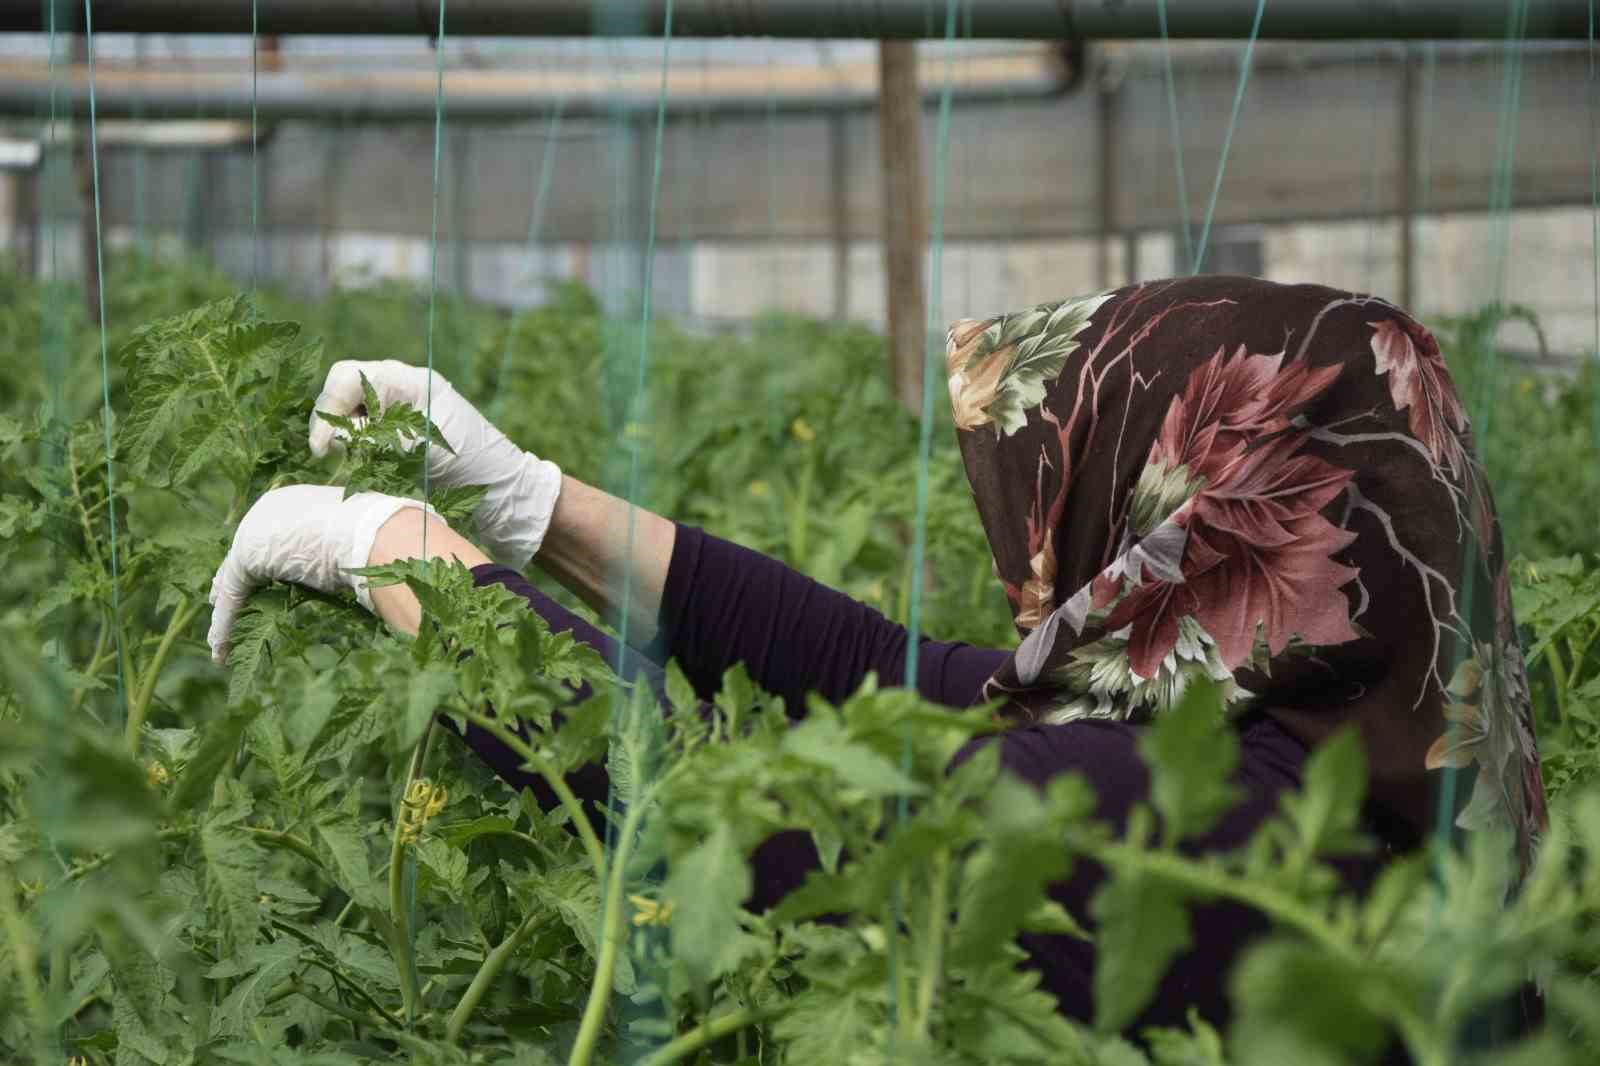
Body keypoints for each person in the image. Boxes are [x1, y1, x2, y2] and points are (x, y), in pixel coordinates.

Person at [205, 274, 1547, 1035]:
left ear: (1194, 525)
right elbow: (892, 671)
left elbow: (703, 810)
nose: (1051, 554)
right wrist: (534, 506)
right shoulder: (1345, 735)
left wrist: (395, 548)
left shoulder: (1217, 831)